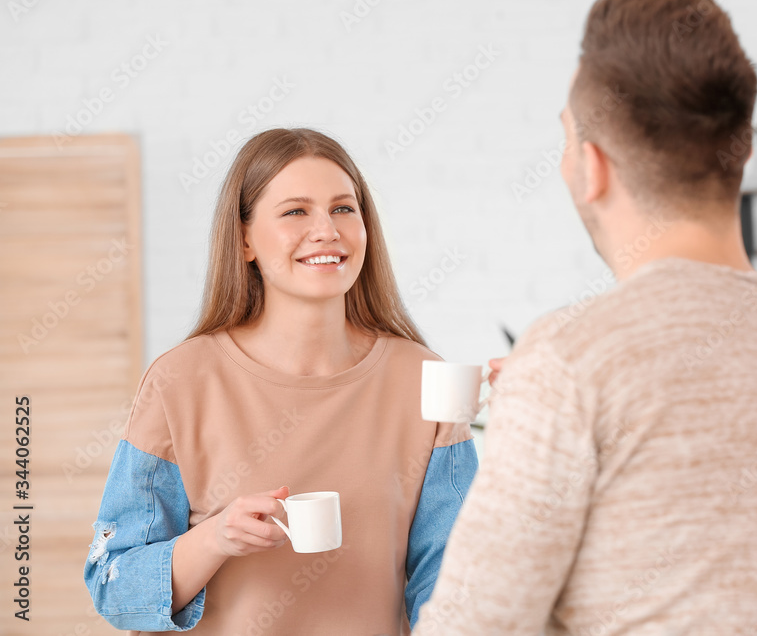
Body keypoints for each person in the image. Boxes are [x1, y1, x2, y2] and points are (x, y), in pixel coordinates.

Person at [413, 0, 757, 635]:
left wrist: (539, 411)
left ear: (592, 167)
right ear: (741, 155)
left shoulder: (569, 359)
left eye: (566, 137)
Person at [84, 128, 478, 635]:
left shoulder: (426, 379)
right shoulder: (180, 382)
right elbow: (113, 587)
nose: (327, 230)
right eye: (296, 211)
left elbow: (455, 580)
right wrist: (216, 538)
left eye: (343, 208)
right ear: (245, 239)